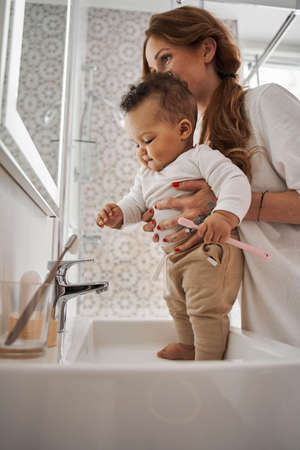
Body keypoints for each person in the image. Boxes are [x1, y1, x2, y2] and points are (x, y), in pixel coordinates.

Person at [140, 6, 300, 348]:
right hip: (265, 321)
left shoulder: (264, 103)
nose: (160, 77)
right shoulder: (198, 147)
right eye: (154, 70)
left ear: (207, 50)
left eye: (166, 59)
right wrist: (178, 221)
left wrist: (225, 205)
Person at [96, 72, 252, 360]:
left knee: (205, 307)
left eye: (148, 139)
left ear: (182, 129)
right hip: (174, 256)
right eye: (136, 145)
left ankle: (208, 357)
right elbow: (135, 202)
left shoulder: (199, 158)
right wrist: (119, 214)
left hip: (208, 250)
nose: (142, 153)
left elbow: (235, 181)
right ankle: (189, 345)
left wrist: (225, 216)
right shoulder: (146, 175)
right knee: (177, 303)